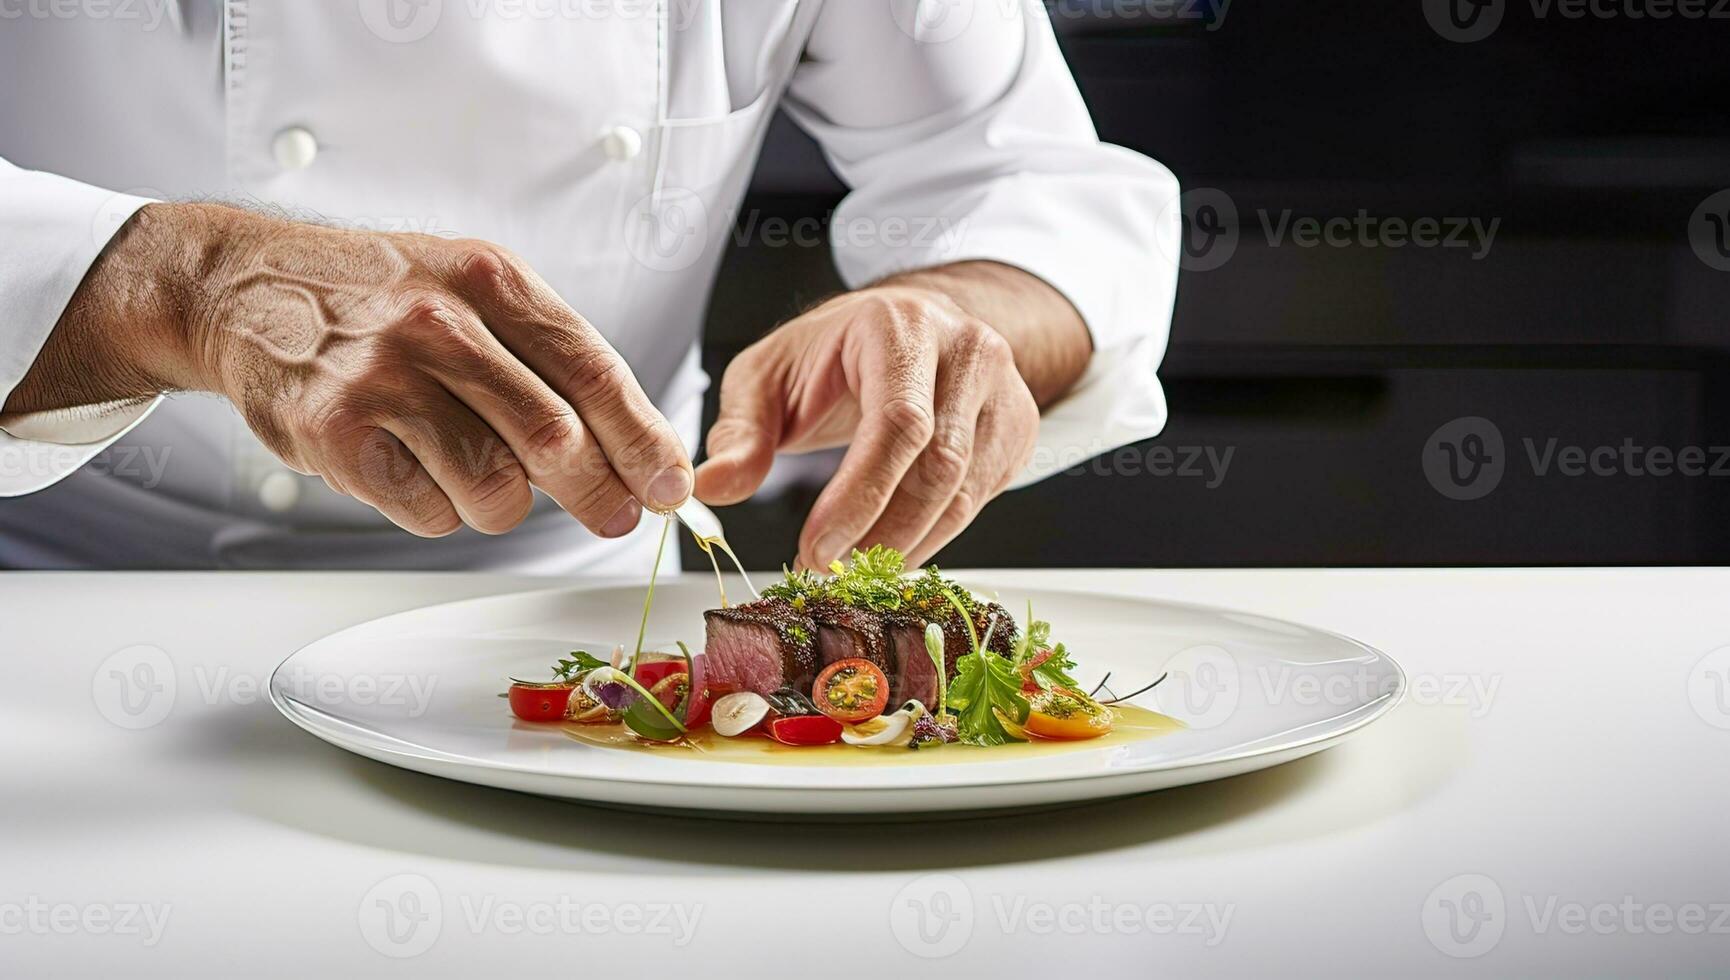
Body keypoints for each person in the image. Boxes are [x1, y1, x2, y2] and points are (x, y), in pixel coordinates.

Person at [0, 0, 1179, 573]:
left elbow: (1016, 175)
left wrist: (961, 313)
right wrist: (186, 286)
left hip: (564, 616)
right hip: (58, 607)